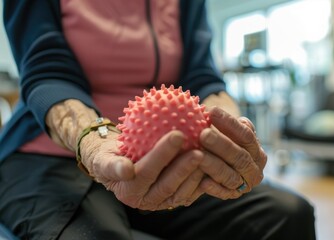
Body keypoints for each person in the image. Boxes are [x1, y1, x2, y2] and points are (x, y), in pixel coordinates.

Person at [0, 0, 316, 239]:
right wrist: (94, 141)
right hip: (47, 155)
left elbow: (203, 77)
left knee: (288, 214)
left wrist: (231, 136)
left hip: (173, 157)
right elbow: (45, 71)